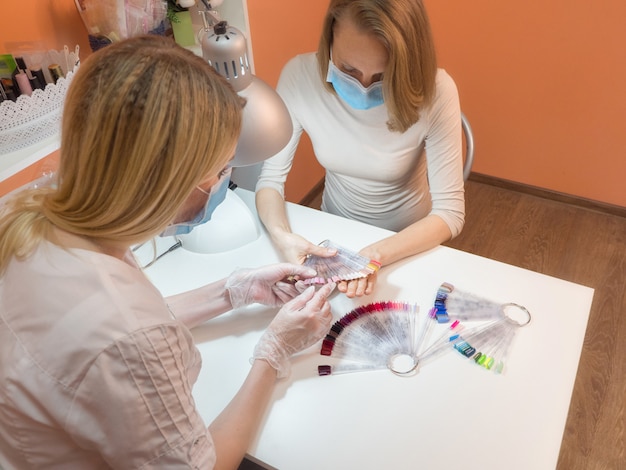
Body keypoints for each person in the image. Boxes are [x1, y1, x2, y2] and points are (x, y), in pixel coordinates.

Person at [0, 35, 335, 469]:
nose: (222, 183)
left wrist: (234, 290)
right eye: (219, 170)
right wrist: (273, 353)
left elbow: (110, 335)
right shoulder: (128, 336)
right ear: (164, 183)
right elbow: (202, 461)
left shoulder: (25, 212)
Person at [255, 0, 465, 298]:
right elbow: (271, 180)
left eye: (382, 76)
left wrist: (376, 255)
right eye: (348, 69)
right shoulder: (299, 77)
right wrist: (283, 237)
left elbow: (450, 214)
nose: (364, 86)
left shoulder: (437, 90)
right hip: (333, 228)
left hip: (406, 242)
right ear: (329, 41)